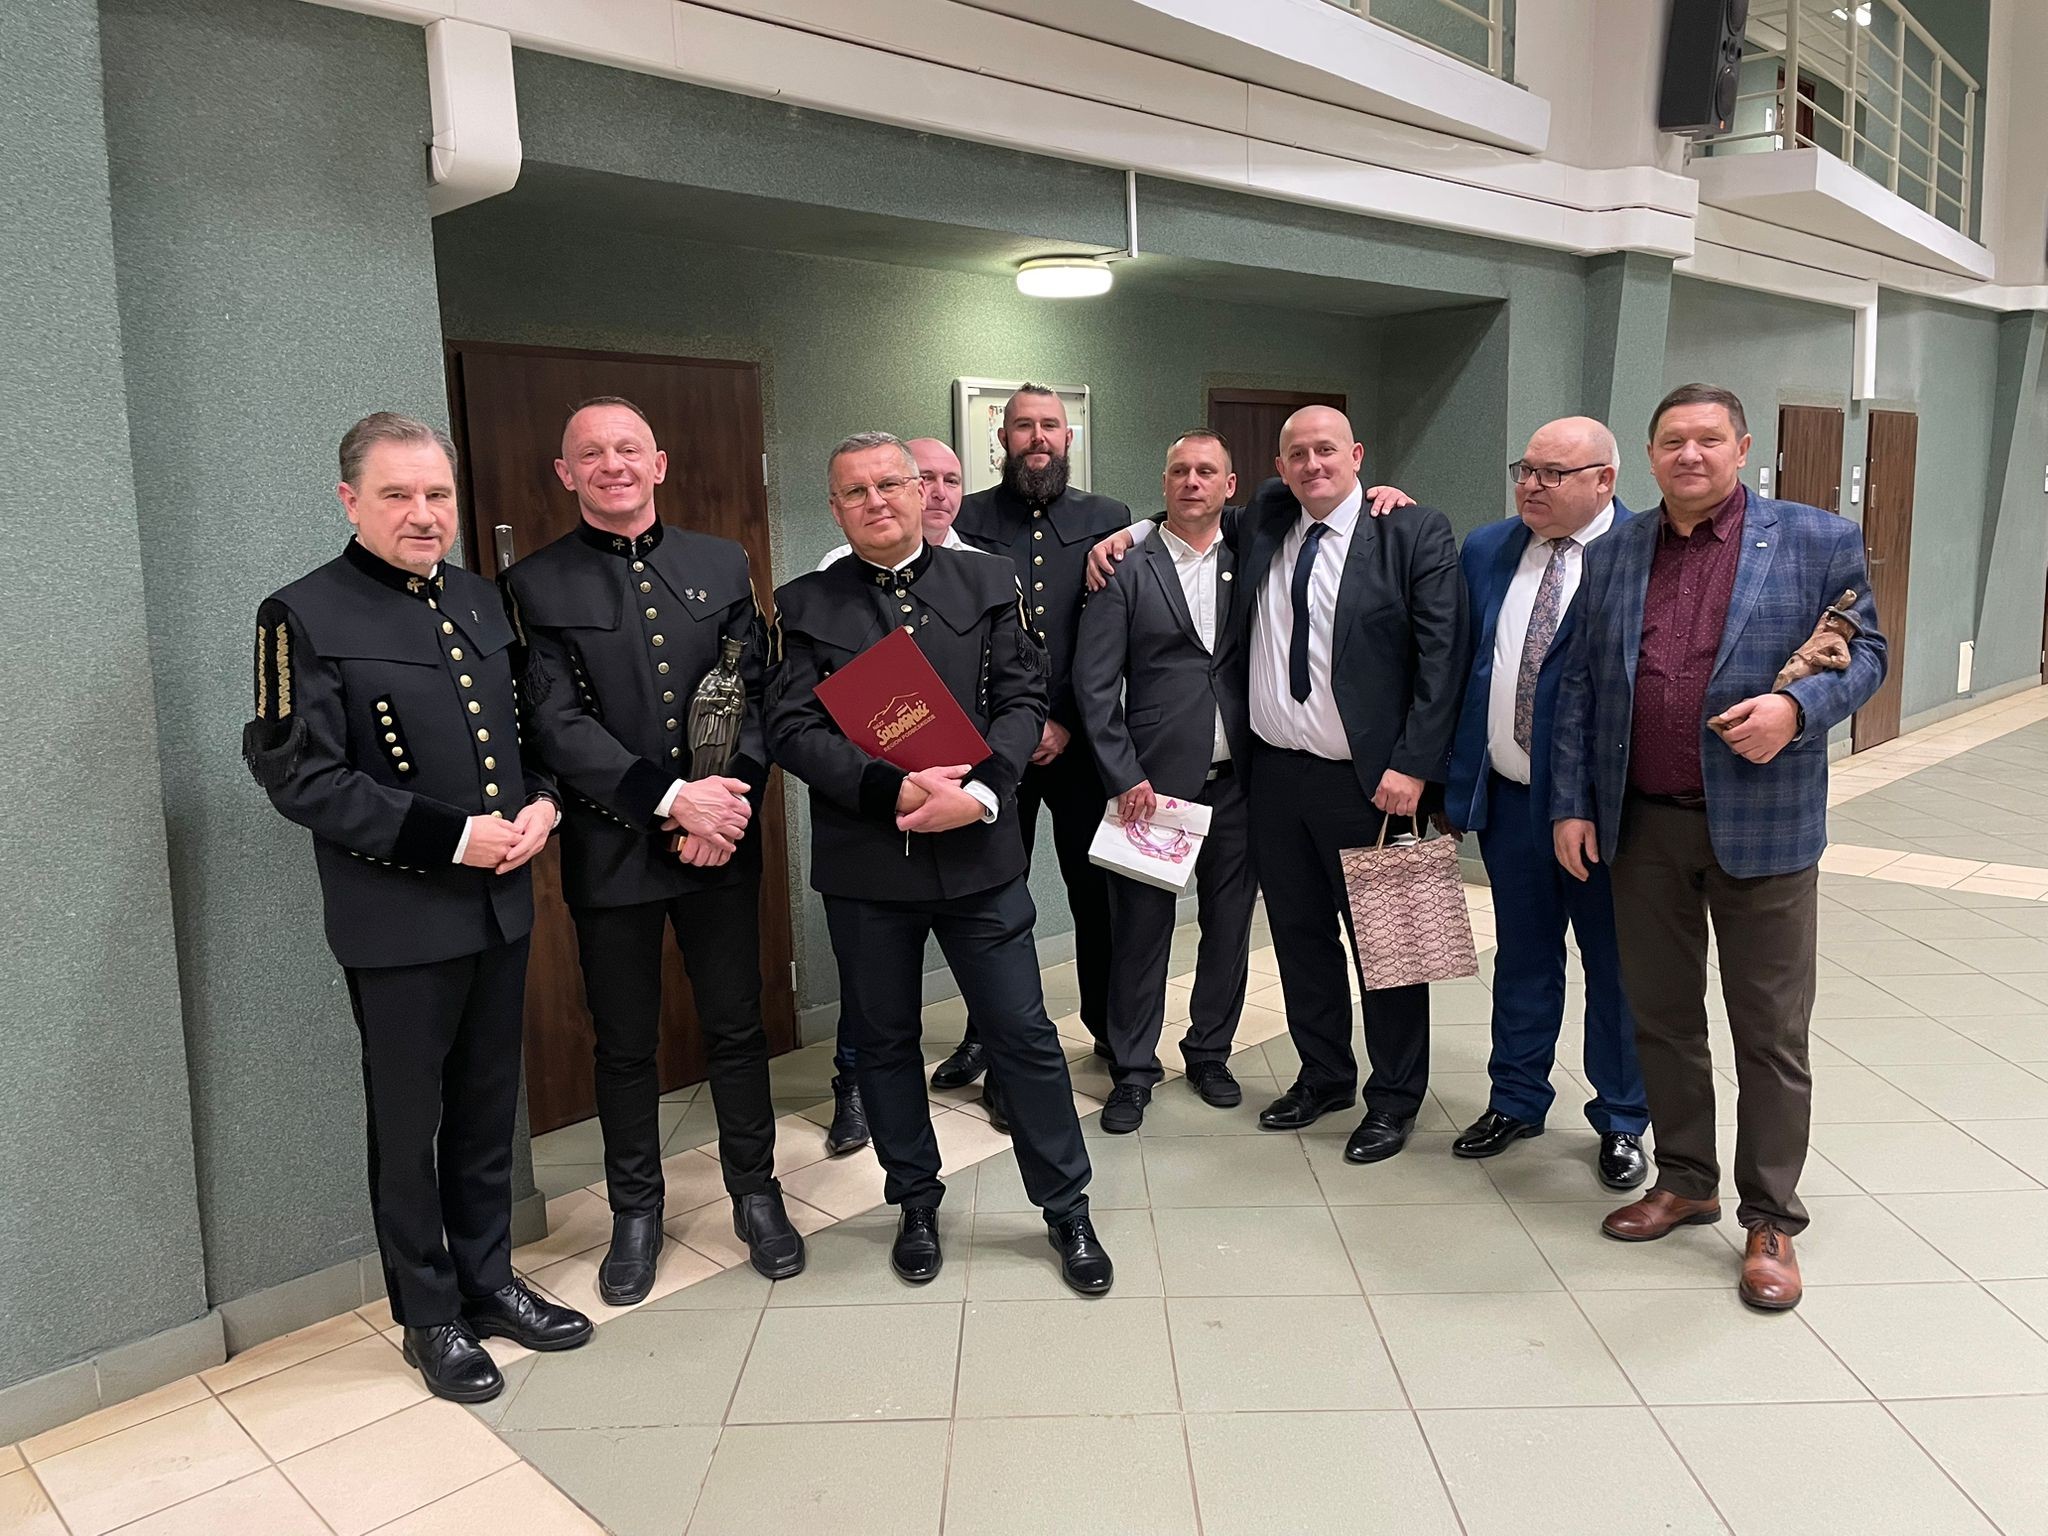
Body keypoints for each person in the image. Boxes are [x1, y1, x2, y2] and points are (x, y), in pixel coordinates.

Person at [244, 412, 591, 1403]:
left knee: (487, 1110)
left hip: (499, 905)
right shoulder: (301, 613)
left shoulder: (481, 599)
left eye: (437, 493)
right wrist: (449, 835)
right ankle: (430, 1314)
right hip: (397, 918)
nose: (423, 513)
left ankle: (488, 1282)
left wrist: (543, 804)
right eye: (396, 494)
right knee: (410, 1127)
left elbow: (522, 733)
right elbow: (297, 775)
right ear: (350, 500)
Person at [1552, 382, 1884, 1311]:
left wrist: (1796, 709)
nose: (1689, 455)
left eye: (1708, 440)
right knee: (1661, 1015)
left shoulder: (1816, 539)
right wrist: (1572, 803)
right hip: (1643, 824)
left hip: (1765, 826)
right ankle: (1687, 1179)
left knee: (1769, 1032)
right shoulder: (1615, 551)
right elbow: (1578, 684)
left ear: (1742, 449)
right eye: (1672, 441)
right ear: (1649, 456)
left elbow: (1865, 653)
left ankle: (1770, 1217)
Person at [767, 432, 1111, 1293]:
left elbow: (1022, 698)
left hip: (979, 856)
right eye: (855, 492)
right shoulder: (803, 604)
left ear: (922, 491)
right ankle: (914, 1200)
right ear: (835, 508)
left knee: (1024, 1036)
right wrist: (890, 787)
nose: (876, 501)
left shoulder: (987, 580)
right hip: (867, 864)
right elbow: (791, 729)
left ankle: (1066, 1207)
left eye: (890, 483)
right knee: (884, 1042)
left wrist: (985, 791)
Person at [1088, 406, 1464, 1164]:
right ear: (1280, 468)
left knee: (1396, 948)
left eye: (1327, 450)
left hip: (1380, 784)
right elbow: (1189, 516)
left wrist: (1416, 767)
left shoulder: (1411, 530)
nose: (1312, 464)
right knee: (1299, 939)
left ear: (1357, 455)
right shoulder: (1266, 521)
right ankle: (1324, 1075)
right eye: (1297, 454)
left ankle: (1395, 1098)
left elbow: (1444, 657)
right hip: (1277, 780)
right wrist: (1126, 533)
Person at [503, 397, 802, 1297]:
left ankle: (756, 1191)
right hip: (614, 851)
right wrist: (673, 803)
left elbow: (756, 693)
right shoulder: (535, 585)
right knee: (624, 1044)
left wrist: (725, 806)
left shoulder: (721, 562)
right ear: (566, 474)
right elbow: (555, 724)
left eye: (628, 448)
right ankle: (636, 1213)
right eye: (591, 453)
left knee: (737, 1027)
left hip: (724, 843)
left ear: (659, 463)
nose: (613, 465)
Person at [1442, 417, 1649, 1190]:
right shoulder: (1488, 549)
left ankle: (1622, 1118)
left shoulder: (1643, 553)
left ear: (1604, 480)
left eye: (1551, 474)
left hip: (1604, 816)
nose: (1530, 485)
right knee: (1524, 958)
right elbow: (1464, 666)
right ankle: (1516, 1099)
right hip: (1509, 800)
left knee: (1614, 966)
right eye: (1524, 469)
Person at [932, 387, 1132, 1124]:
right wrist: (1011, 731)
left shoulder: (1108, 518)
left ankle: (1109, 1026)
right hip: (992, 749)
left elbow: (1114, 633)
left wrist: (1067, 721)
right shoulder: (967, 519)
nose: (1037, 437)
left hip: (1083, 745)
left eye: (1050, 425)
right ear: (1003, 437)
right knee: (990, 900)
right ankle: (986, 1036)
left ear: (1068, 435)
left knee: (1095, 893)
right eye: (1024, 426)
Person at [1071, 429, 1256, 1132]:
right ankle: (1132, 1069)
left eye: (1207, 471)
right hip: (1151, 789)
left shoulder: (1253, 556)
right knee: (1140, 933)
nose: (1192, 481)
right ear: (1165, 481)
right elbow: (1094, 687)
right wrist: (1123, 775)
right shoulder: (1125, 566)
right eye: (1180, 470)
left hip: (1241, 782)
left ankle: (1209, 1052)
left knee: (1228, 929)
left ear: (1229, 487)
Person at [811, 435, 976, 1154]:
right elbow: (823, 714)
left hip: (966, 802)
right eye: (925, 477)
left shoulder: (982, 573)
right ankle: (852, 1084)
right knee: (874, 992)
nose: (936, 492)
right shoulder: (834, 579)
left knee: (991, 972)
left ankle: (989, 1061)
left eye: (949, 480)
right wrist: (895, 786)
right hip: (877, 812)